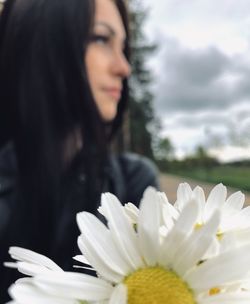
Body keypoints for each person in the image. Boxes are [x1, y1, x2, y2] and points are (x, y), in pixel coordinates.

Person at [0, 0, 159, 301]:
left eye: (123, 47)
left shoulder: (132, 182)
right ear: (40, 42)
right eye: (101, 38)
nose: (124, 67)